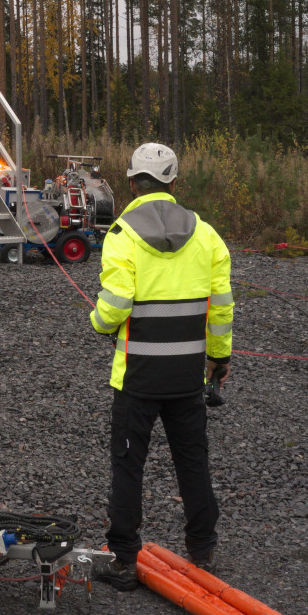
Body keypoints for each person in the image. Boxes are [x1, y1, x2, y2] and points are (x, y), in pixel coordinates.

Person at [86, 142, 234, 588]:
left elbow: (113, 308)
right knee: (193, 460)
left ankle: (124, 561)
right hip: (187, 376)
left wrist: (97, 321)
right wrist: (218, 357)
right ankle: (202, 549)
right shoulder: (206, 234)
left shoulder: (121, 233)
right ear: (173, 183)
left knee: (129, 466)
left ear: (132, 182)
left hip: (137, 377)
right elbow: (221, 306)